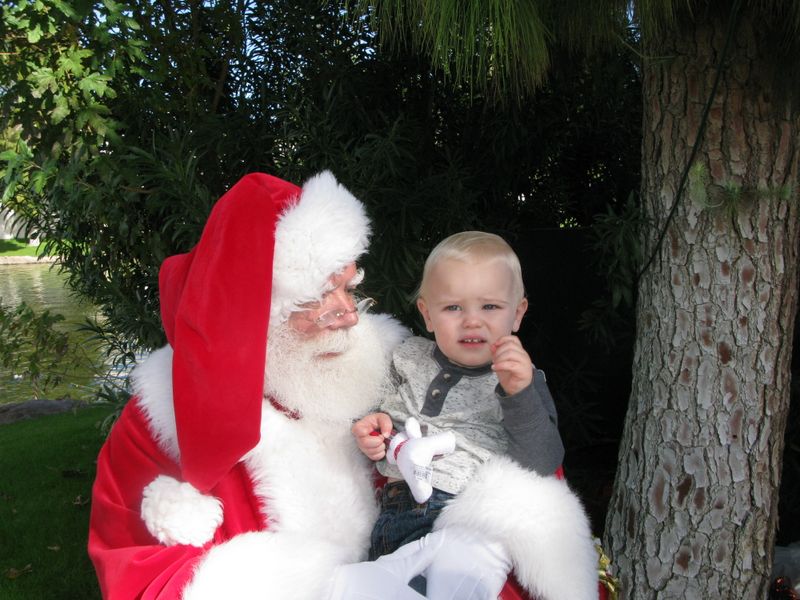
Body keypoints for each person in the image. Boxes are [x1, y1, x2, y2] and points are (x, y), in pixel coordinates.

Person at [88, 171, 420, 599]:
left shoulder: (387, 370)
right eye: (316, 301)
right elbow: (139, 574)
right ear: (255, 317)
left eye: (349, 289)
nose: (350, 315)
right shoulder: (157, 420)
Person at [352, 231, 598, 600]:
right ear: (427, 314)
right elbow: (380, 411)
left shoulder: (522, 379)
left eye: (490, 307)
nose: (472, 321)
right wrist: (373, 427)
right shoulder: (405, 357)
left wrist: (519, 393)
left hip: (468, 518)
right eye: (453, 308)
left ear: (517, 314)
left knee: (458, 575)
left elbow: (543, 462)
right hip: (398, 515)